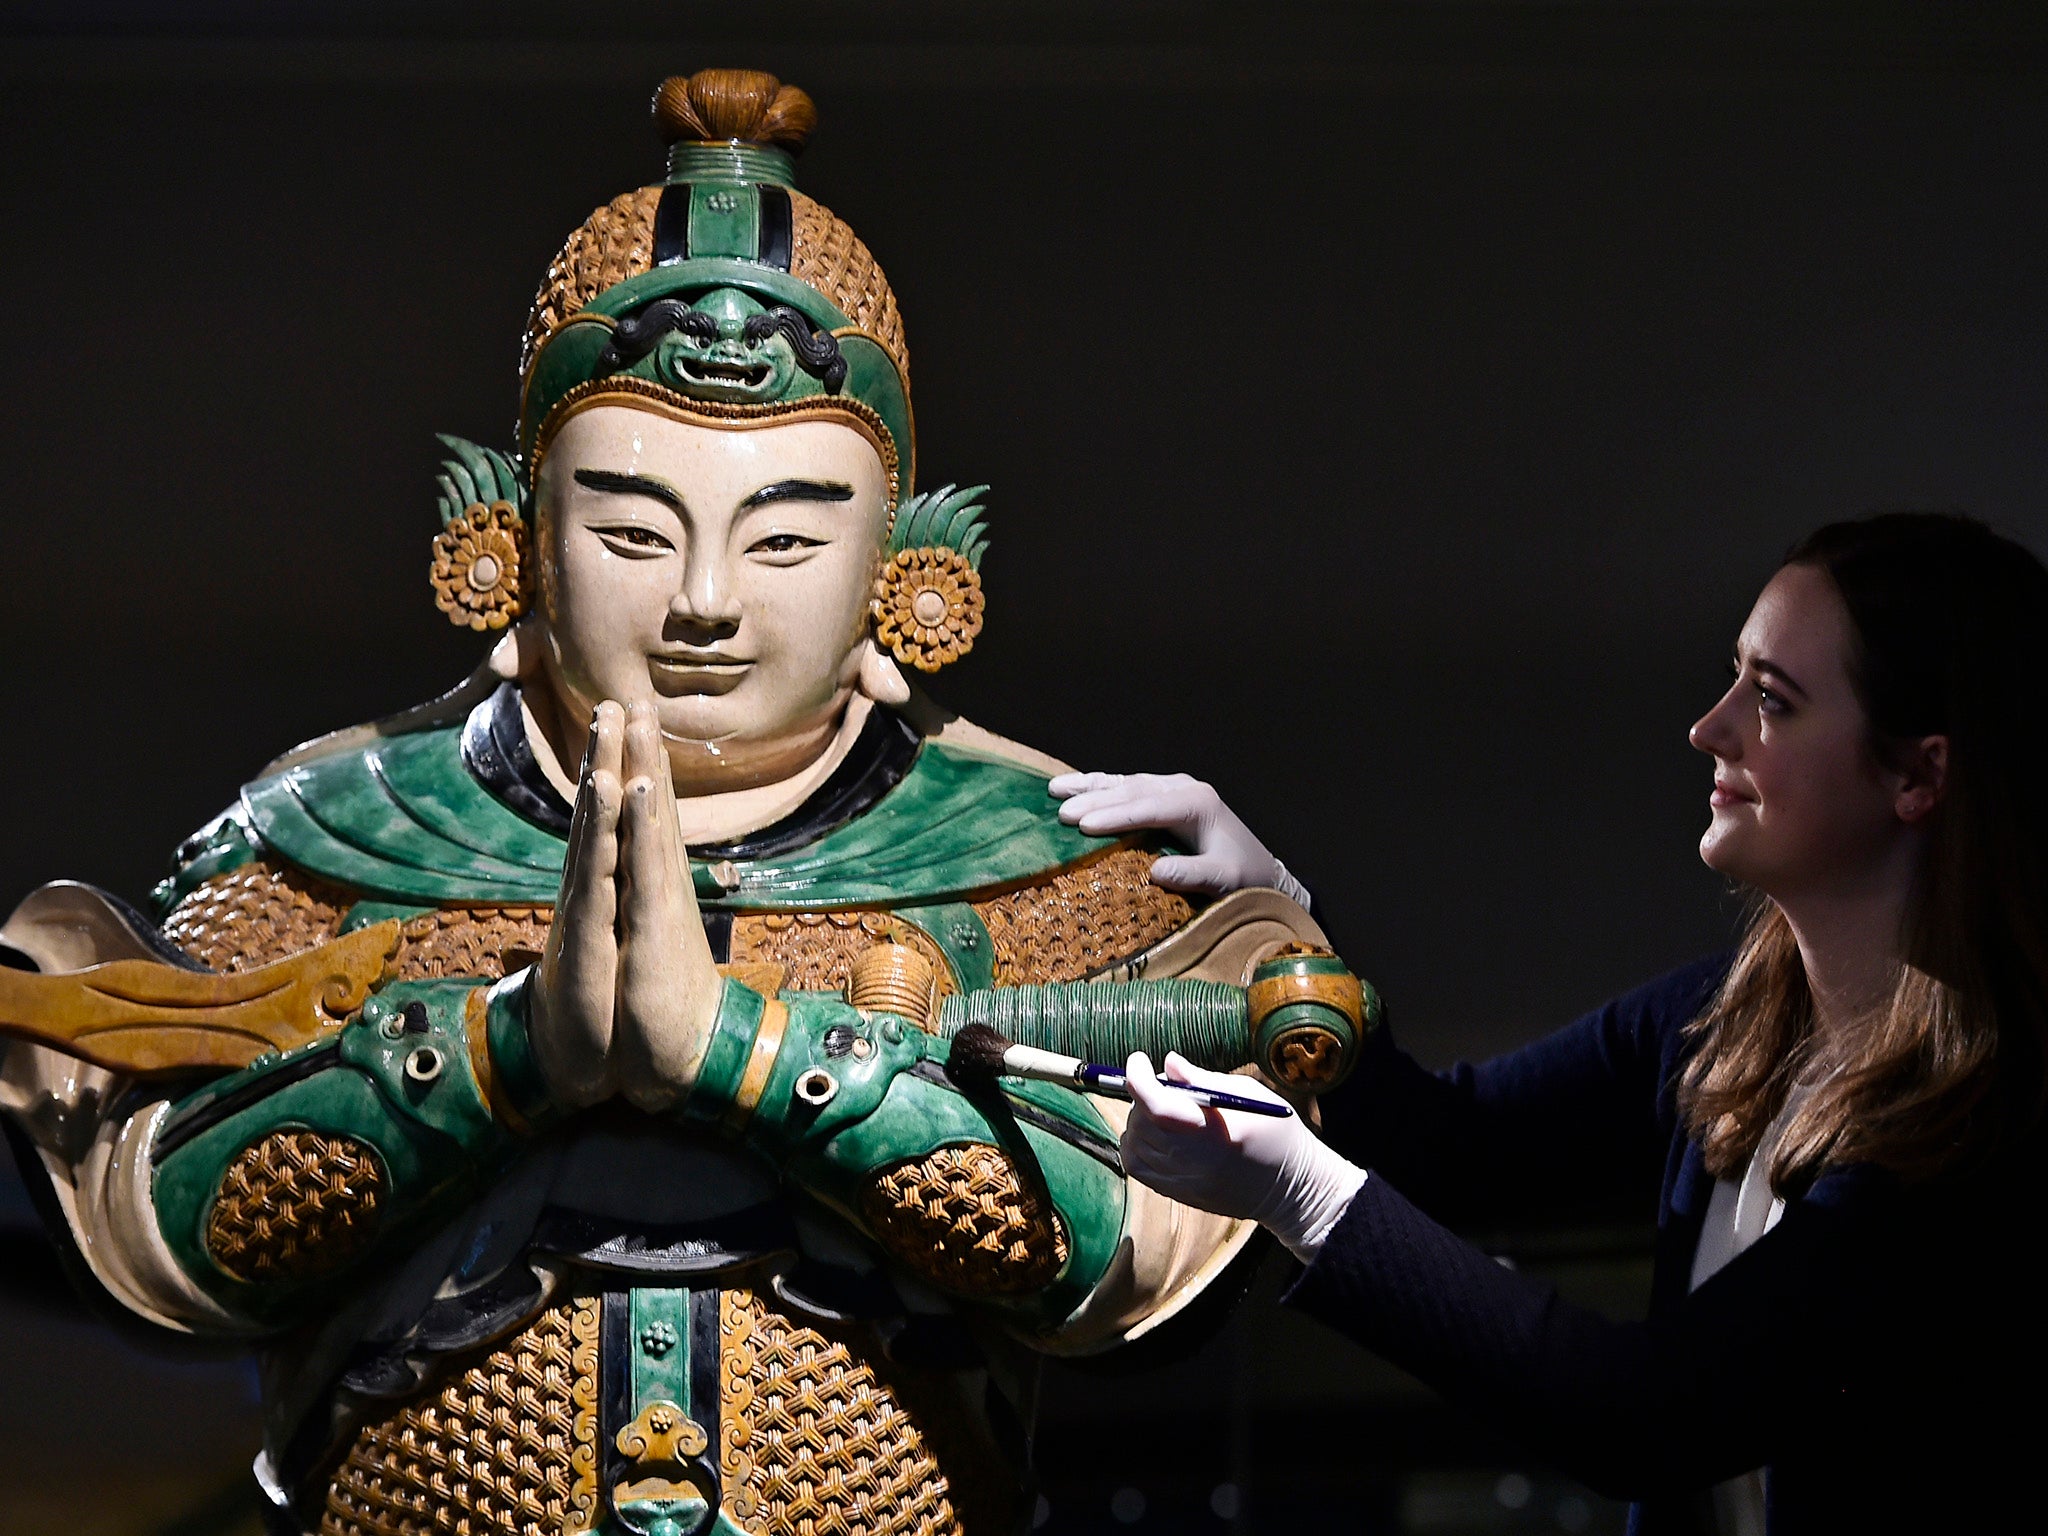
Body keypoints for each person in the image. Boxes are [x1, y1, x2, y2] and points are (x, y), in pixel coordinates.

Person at [0, 68, 1372, 1536]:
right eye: (632, 528)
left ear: (903, 565)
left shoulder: (1036, 864)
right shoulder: (335, 837)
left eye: (784, 539)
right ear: (513, 536)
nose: (706, 603)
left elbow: (1101, 1254)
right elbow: (168, 1224)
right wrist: (508, 1049)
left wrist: (740, 1050)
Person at [1055, 512, 2048, 1533]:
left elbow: (1644, 1412)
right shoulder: (1718, 1022)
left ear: (1917, 777)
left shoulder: (1985, 1129)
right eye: (1732, 679)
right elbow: (1446, 1147)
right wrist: (1284, 925)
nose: (1709, 729)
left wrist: (1296, 1189)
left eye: (1771, 701)